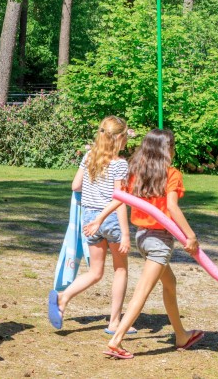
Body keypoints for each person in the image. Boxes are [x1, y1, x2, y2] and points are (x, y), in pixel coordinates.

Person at [84, 129, 203, 359]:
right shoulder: (172, 174)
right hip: (159, 241)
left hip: (142, 238)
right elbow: (172, 208)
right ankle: (116, 340)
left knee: (170, 283)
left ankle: (181, 335)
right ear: (166, 149)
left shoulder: (137, 173)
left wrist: (99, 218)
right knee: (142, 291)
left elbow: (119, 198)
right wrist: (191, 236)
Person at [48, 116, 133, 334]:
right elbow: (119, 200)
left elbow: (75, 185)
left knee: (95, 272)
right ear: (120, 138)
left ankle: (63, 296)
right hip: (110, 219)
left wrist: (93, 197)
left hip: (89, 220)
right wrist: (125, 234)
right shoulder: (120, 164)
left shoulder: (89, 157)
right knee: (121, 269)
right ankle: (114, 322)